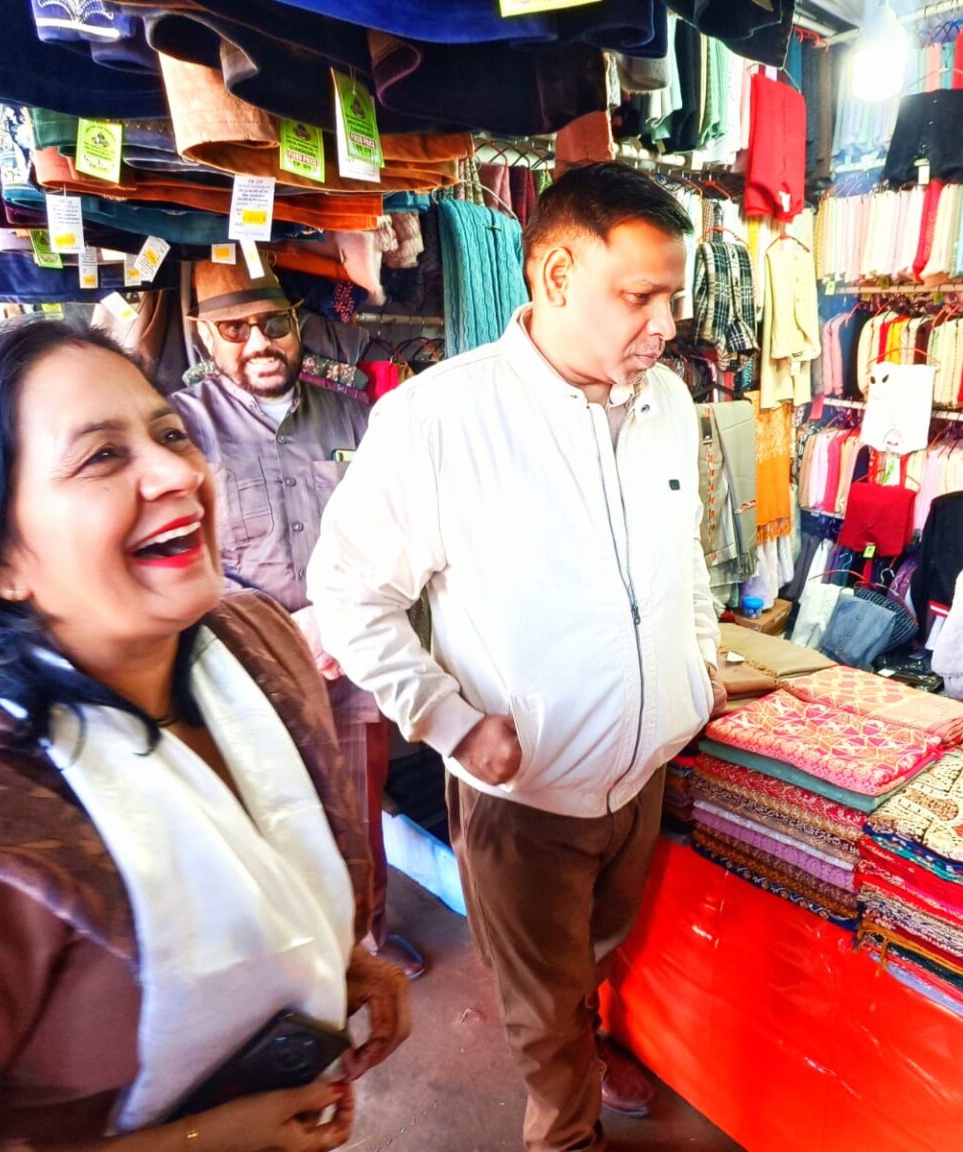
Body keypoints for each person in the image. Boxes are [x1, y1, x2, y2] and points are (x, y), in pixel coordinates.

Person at [0, 319, 409, 1151]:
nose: (180, 473)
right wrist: (203, 1141)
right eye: (102, 457)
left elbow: (264, 869)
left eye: (169, 434)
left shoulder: (252, 644)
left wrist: (332, 968)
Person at [309, 162, 725, 1152]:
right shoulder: (438, 419)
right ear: (552, 275)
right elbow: (350, 596)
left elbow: (687, 550)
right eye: (639, 297)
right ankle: (561, 1129)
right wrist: (448, 719)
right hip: (524, 794)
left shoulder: (664, 398)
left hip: (646, 775)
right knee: (542, 1005)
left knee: (603, 953)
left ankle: (587, 1048)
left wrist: (698, 665)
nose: (664, 323)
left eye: (673, 295)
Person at [170, 261, 424, 979]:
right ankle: (289, 962)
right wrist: (284, 628)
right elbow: (181, 560)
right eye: (233, 329)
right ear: (204, 337)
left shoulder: (352, 414)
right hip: (245, 670)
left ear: (297, 322)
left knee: (355, 811)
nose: (258, 343)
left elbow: (393, 529)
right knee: (263, 816)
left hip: (350, 660)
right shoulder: (179, 434)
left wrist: (344, 620)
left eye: (273, 324)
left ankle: (364, 940)